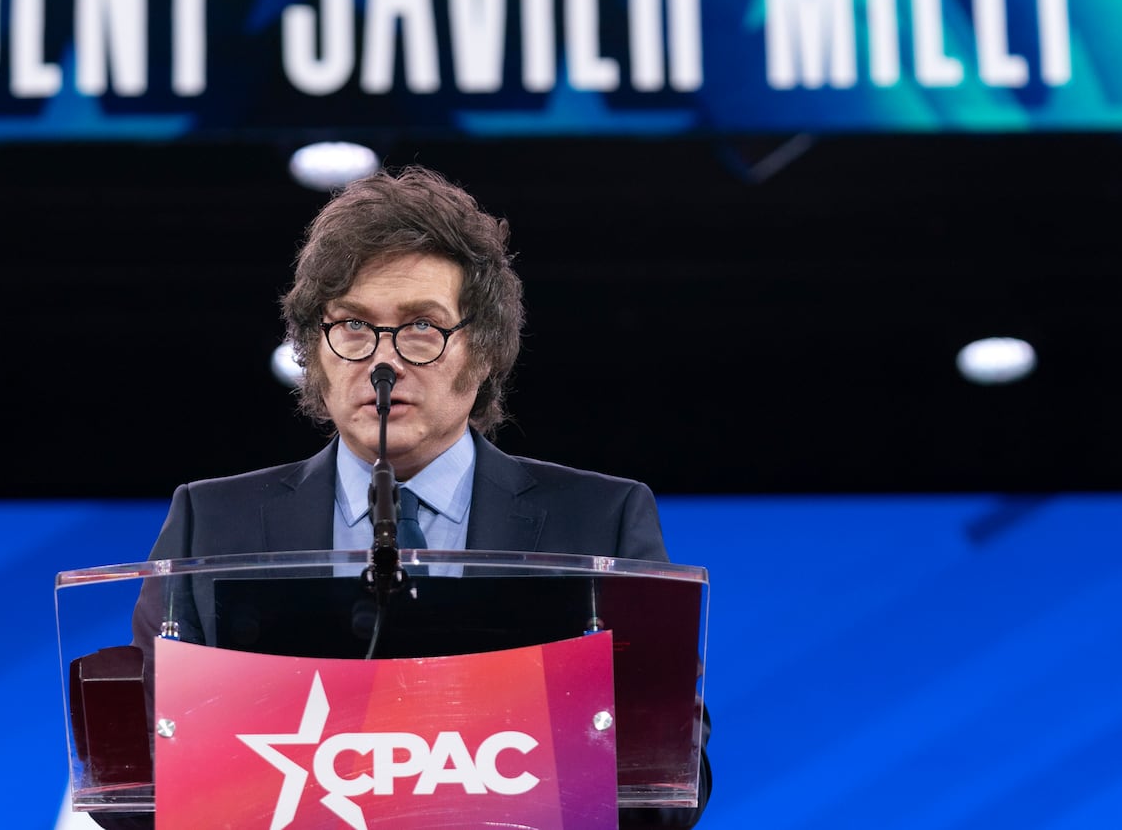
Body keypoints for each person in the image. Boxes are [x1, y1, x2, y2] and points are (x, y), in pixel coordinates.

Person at [131, 166, 709, 825]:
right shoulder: (209, 524)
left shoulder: (601, 522)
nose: (383, 361)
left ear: (484, 351)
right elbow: (143, 770)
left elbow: (669, 777)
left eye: (422, 327)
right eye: (352, 325)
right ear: (316, 353)